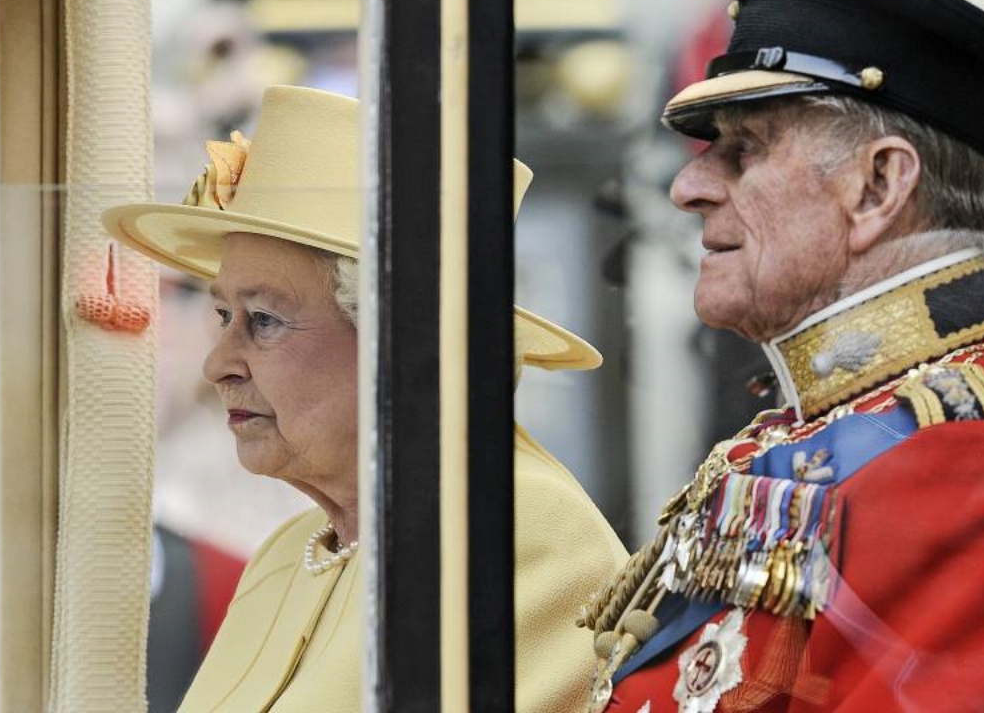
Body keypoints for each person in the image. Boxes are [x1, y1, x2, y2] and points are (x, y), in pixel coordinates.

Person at [580, 0, 984, 711]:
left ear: (878, 188)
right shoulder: (832, 427)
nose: (689, 187)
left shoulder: (976, 474)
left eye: (744, 149)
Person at [103, 85, 627, 711]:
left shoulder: (517, 527)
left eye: (263, 320)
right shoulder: (286, 553)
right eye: (222, 316)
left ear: (403, 345)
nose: (219, 366)